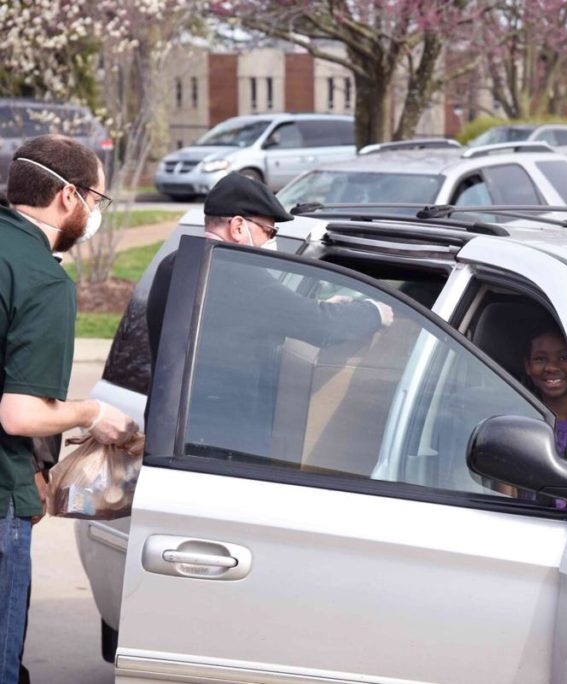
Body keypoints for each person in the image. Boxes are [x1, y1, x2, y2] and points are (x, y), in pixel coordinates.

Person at [0, 134, 137, 683]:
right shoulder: (41, 280)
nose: (95, 215)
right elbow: (18, 413)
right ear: (67, 197)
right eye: (97, 201)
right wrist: (89, 414)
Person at [145, 172, 394, 457]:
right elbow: (322, 326)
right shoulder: (238, 273)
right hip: (221, 446)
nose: (271, 240)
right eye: (269, 231)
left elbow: (242, 316)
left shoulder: (175, 264)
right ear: (238, 226)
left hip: (171, 435)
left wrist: (323, 304)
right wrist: (374, 311)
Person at [522, 325, 567, 463]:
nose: (551, 367)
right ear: (527, 366)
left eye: (564, 358)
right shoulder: (521, 423)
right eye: (540, 359)